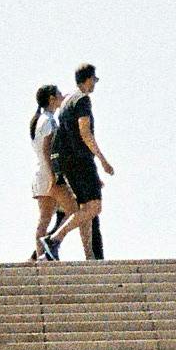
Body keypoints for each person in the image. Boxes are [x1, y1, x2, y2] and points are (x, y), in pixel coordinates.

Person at [50, 63, 113, 259]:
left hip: (68, 163)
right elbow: (85, 132)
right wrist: (103, 160)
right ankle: (54, 239)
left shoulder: (67, 100)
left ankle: (89, 255)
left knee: (85, 209)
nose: (95, 83)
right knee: (95, 207)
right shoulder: (82, 100)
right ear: (88, 79)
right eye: (94, 79)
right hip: (82, 161)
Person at [28, 82, 73, 259]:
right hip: (49, 174)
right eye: (59, 94)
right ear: (51, 99)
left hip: (41, 174)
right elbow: (49, 148)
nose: (62, 97)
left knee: (45, 219)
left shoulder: (40, 120)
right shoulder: (48, 121)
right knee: (73, 211)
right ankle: (48, 248)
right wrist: (55, 174)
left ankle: (41, 255)